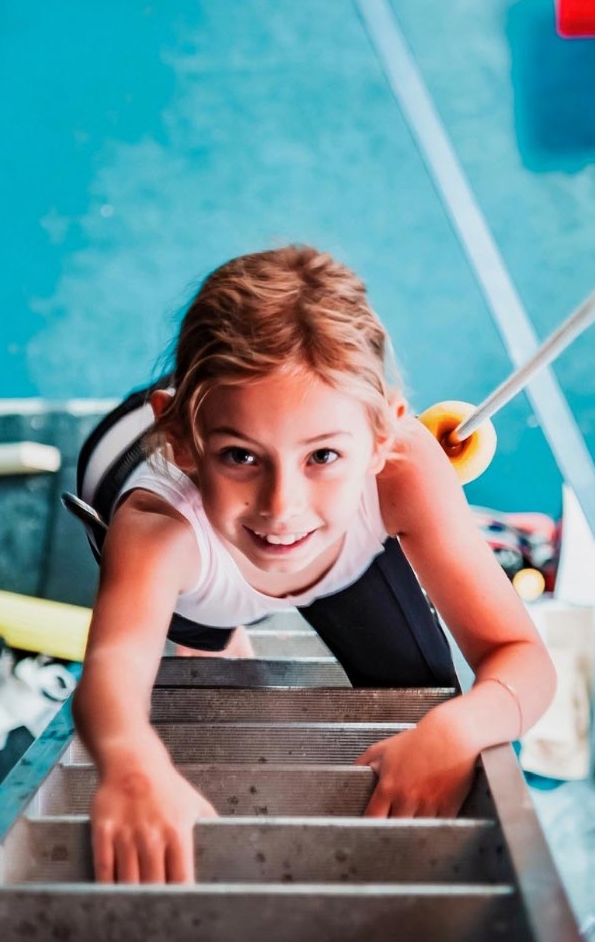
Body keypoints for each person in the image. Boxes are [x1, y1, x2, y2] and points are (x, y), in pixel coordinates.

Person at [70, 245, 556, 883]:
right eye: (241, 457)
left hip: (321, 525)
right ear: (185, 443)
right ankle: (221, 632)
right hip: (189, 552)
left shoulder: (404, 470)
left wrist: (461, 729)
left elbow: (521, 656)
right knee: (210, 655)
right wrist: (132, 767)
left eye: (323, 457)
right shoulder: (158, 530)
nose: (282, 508)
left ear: (384, 436)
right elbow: (112, 666)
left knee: (425, 690)